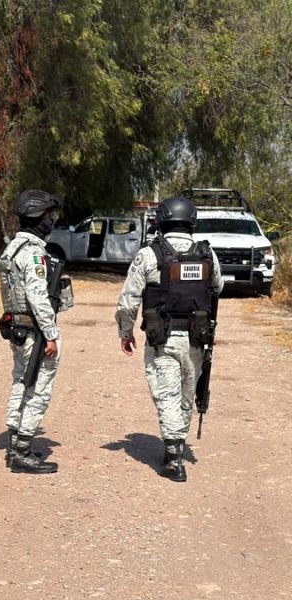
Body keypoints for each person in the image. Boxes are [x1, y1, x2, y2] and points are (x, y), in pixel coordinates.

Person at [115, 196, 223, 482]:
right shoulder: (207, 254)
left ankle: (174, 458)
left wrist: (125, 332)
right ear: (191, 222)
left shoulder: (149, 254)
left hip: (162, 337)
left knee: (167, 395)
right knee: (187, 392)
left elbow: (128, 300)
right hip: (196, 338)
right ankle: (177, 445)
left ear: (161, 221)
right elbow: (218, 286)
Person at [0, 190, 65, 474]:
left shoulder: (12, 248)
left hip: (18, 328)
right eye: (48, 215)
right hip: (34, 332)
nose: (51, 221)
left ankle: (15, 441)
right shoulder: (34, 252)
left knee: (21, 382)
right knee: (38, 389)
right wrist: (50, 334)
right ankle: (23, 451)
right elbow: (37, 296)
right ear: (37, 216)